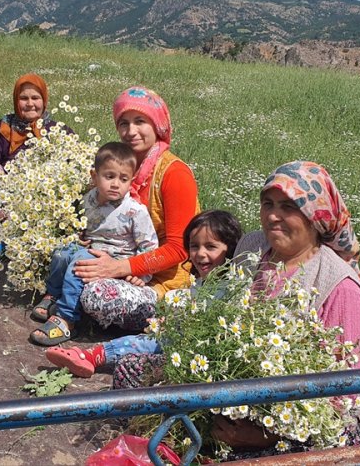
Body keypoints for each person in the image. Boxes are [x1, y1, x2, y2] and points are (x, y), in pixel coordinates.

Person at [113, 161, 360, 454]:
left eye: (288, 207)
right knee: (132, 371)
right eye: (268, 203)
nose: (273, 216)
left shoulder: (340, 287)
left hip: (300, 421)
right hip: (233, 385)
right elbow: (224, 314)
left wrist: (266, 433)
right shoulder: (253, 246)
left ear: (316, 216)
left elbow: (344, 397)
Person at [44, 210, 242, 375]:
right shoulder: (201, 283)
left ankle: (92, 357)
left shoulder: (231, 287)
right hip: (179, 338)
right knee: (145, 341)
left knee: (144, 344)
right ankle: (90, 356)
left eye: (211, 247)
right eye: (194, 246)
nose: (200, 254)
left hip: (192, 350)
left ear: (231, 249)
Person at [75, 87, 200, 331]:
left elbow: (179, 249)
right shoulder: (120, 167)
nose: (130, 132)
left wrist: (122, 268)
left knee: (97, 296)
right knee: (66, 260)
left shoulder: (174, 173)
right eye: (123, 123)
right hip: (122, 262)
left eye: (140, 121)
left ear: (158, 125)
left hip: (164, 280)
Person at [28, 142, 159, 346]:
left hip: (116, 263)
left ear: (131, 181)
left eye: (123, 179)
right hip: (89, 249)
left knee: (79, 264)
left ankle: (67, 318)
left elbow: (149, 247)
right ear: (94, 176)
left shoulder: (135, 211)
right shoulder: (88, 200)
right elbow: (79, 225)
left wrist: (141, 274)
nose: (116, 184)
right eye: (109, 177)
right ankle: (52, 295)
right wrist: (77, 236)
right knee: (62, 253)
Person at [0, 73, 67, 262]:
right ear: (16, 101)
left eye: (36, 98)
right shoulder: (4, 127)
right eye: (24, 98)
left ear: (44, 100)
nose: (30, 104)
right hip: (4, 193)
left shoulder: (57, 131)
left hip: (37, 194)